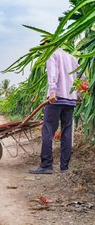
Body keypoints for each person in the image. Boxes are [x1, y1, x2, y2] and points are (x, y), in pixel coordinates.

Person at [29, 40, 79, 174]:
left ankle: (46, 165)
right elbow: (81, 77)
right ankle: (64, 167)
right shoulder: (72, 58)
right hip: (70, 100)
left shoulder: (52, 54)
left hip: (56, 99)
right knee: (67, 131)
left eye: (45, 47)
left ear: (50, 45)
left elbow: (53, 74)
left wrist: (52, 92)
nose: (44, 50)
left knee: (48, 131)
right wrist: (77, 94)